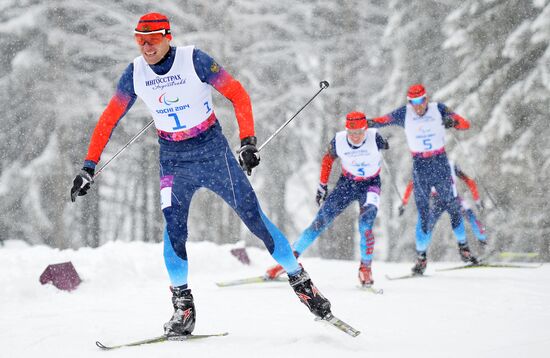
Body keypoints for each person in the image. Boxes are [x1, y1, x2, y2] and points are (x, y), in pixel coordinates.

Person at [70, 12, 331, 336]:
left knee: (254, 219)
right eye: (139, 40)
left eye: (151, 40)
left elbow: (237, 93)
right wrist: (88, 167)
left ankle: (302, 283)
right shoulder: (135, 73)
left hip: (212, 152)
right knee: (173, 227)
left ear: (168, 36)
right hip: (174, 160)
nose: (146, 47)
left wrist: (247, 141)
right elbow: (109, 119)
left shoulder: (194, 60)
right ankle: (183, 308)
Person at [265, 112, 389, 287]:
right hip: (347, 184)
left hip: (371, 185)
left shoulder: (374, 136)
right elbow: (327, 160)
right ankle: (289, 261)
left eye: (359, 133)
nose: (355, 137)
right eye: (351, 133)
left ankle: (365, 268)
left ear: (365, 129)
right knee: (319, 222)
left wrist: (384, 143)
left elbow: (386, 127)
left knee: (366, 226)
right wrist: (322, 185)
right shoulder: (338, 140)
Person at [367, 84, 476, 275]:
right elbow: (380, 120)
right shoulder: (404, 113)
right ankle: (421, 258)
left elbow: (465, 124)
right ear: (409, 102)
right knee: (424, 212)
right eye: (413, 102)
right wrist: (365, 123)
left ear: (426, 99)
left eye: (420, 101)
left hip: (440, 161)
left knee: (452, 205)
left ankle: (464, 249)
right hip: (420, 165)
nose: (417, 106)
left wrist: (453, 122)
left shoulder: (439, 109)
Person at [398, 160, 488, 254]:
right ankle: (477, 244)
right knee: (429, 225)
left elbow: (469, 181)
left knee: (469, 216)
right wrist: (403, 203)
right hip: (442, 200)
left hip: (447, 199)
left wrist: (404, 203)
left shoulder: (448, 165)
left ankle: (480, 244)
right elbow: (412, 184)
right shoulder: (435, 165)